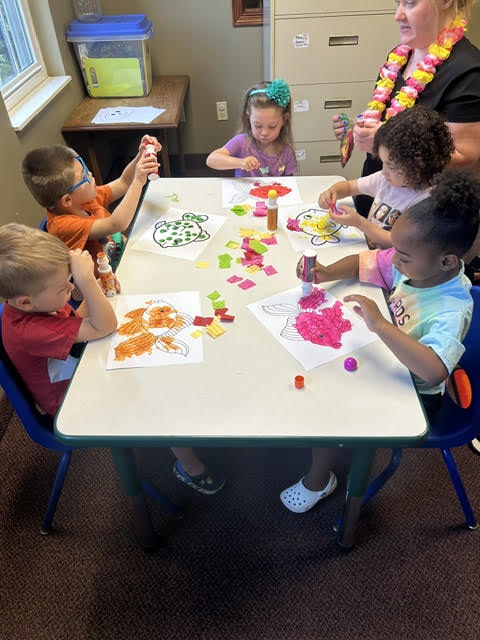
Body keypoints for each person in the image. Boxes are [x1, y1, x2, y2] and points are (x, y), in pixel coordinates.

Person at [280, 168, 480, 513]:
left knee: (330, 406)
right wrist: (326, 273)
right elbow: (367, 261)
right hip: (390, 357)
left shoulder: (451, 307)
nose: (395, 258)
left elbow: (434, 371)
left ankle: (320, 480)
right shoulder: (419, 263)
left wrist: (381, 326)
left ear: (447, 261)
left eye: (403, 256)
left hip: (416, 394)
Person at [0, 224, 225, 495]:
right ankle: (189, 466)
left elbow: (73, 321)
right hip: (73, 402)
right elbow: (104, 326)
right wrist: (88, 283)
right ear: (25, 302)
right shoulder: (29, 331)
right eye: (63, 288)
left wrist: (98, 290)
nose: (70, 288)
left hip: (81, 368)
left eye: (71, 280)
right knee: (157, 394)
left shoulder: (37, 305)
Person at [332, 0, 480, 217]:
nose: (398, 15)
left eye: (410, 3)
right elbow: (392, 117)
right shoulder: (400, 56)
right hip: (377, 197)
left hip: (413, 217)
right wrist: (359, 128)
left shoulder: (468, 72)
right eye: (398, 2)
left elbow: (464, 158)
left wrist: (387, 142)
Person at [319, 105, 454, 248]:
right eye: (382, 162)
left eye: (391, 167)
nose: (383, 171)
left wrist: (359, 222)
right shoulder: (385, 180)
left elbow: (398, 243)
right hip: (370, 252)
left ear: (419, 168)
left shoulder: (425, 202)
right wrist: (333, 192)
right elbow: (350, 186)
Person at [22, 135, 161, 273]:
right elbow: (117, 224)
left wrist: (141, 156)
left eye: (86, 169)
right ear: (67, 200)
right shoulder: (63, 226)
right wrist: (138, 181)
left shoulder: (83, 200)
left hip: (123, 257)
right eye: (84, 177)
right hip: (107, 279)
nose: (90, 174)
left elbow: (123, 183)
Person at [206, 78, 298, 177]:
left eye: (272, 126)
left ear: (284, 120)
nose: (264, 133)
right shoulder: (241, 142)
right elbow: (211, 160)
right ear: (248, 117)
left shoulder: (286, 152)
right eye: (258, 126)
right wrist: (240, 162)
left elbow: (290, 182)